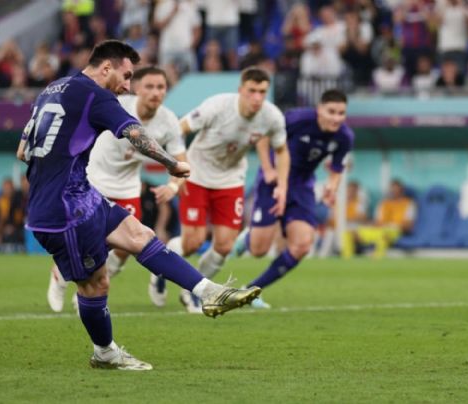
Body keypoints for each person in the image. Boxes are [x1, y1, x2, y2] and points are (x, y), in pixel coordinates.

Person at [17, 40, 260, 371]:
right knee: (95, 284)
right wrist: (171, 164)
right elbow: (133, 132)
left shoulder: (52, 88)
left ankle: (208, 291)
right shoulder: (96, 94)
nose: (127, 86)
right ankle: (105, 352)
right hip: (65, 210)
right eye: (127, 76)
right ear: (106, 68)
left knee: (139, 235)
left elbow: (22, 151)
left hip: (78, 194)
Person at [46, 65, 188, 312]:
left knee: (125, 247)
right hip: (94, 180)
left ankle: (89, 294)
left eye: (161, 87)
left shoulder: (169, 121)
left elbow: (181, 160)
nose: (156, 92)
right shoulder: (116, 104)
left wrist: (173, 187)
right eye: (150, 87)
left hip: (127, 187)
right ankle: (60, 275)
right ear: (137, 89)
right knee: (90, 243)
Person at [163, 66, 289, 313]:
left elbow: (282, 150)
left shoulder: (272, 117)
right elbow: (181, 127)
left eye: (262, 92)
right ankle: (163, 264)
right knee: (192, 242)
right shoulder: (218, 106)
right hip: (197, 173)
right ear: (241, 90)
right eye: (252, 91)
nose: (257, 98)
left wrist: (283, 186)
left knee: (224, 246)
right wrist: (175, 162)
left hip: (230, 180)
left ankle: (194, 292)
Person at [233, 89, 354, 308]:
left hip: (302, 187)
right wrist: (268, 169)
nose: (337, 118)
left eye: (341, 113)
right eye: (332, 112)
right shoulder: (297, 119)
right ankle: (249, 238)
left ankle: (251, 291)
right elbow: (263, 136)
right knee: (259, 250)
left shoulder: (344, 137)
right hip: (274, 181)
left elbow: (337, 167)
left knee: (302, 245)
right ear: (319, 110)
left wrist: (332, 186)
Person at [344, 179, 416, 259]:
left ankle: (377, 259)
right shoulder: (383, 203)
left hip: (393, 230)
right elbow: (377, 221)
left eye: (396, 190)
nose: (394, 192)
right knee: (348, 234)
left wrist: (392, 225)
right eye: (392, 190)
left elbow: (408, 225)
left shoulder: (409, 203)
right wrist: (372, 225)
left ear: (402, 190)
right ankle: (347, 259)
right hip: (379, 229)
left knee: (383, 236)